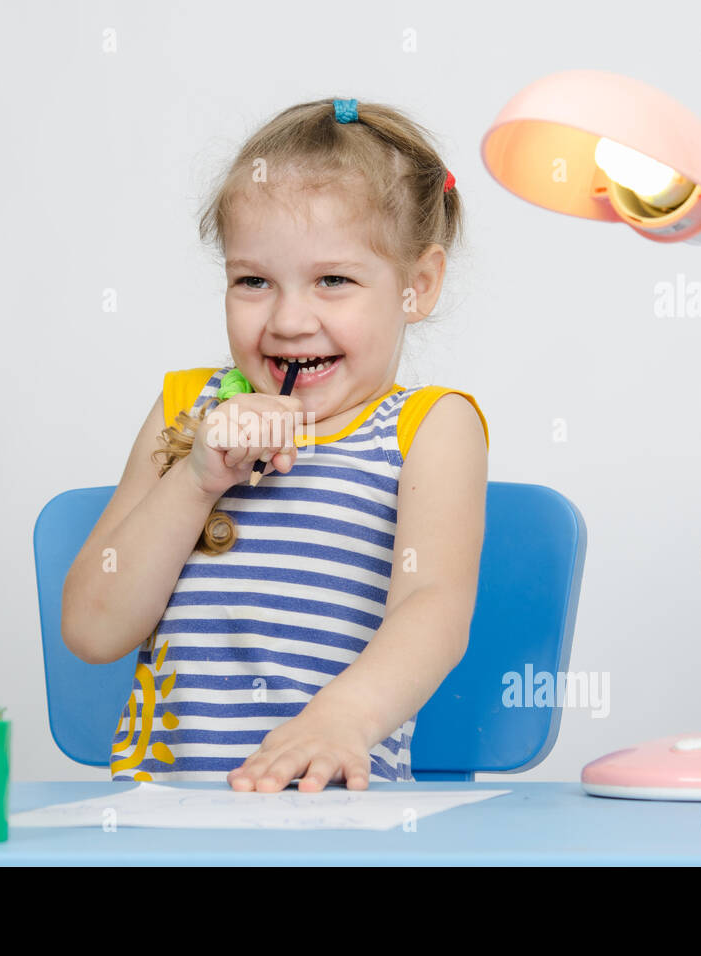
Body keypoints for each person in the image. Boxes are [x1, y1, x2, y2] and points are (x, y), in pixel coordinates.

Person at [62, 98, 489, 792]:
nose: (290, 321)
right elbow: (92, 629)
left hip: (339, 816)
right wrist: (196, 479)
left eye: (334, 280)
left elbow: (434, 608)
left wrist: (344, 718)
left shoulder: (428, 429)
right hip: (164, 823)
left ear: (417, 287)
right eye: (253, 281)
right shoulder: (187, 408)